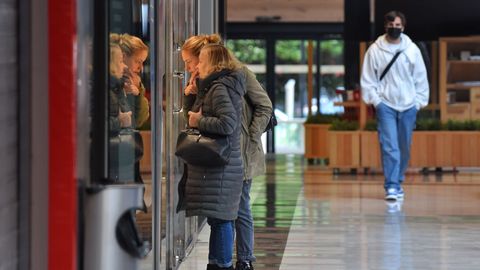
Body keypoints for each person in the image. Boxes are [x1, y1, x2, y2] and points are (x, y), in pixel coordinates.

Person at [181, 34, 272, 270]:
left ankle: (245, 259)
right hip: (222, 153)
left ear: (204, 56)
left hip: (239, 152)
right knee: (228, 209)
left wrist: (250, 136)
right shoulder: (206, 80)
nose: (189, 67)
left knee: (237, 208)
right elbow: (193, 118)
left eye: (190, 61)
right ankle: (236, 260)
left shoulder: (237, 74)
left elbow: (265, 106)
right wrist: (191, 94)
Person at [184, 43, 246, 270]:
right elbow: (192, 116)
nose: (197, 66)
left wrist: (198, 121)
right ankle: (217, 263)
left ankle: (221, 265)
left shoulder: (219, 87)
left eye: (200, 61)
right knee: (219, 219)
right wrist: (191, 95)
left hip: (222, 165)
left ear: (213, 63)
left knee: (221, 220)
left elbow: (227, 124)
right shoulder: (213, 86)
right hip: (221, 164)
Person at [360, 11, 429, 200]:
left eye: (398, 25)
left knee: (404, 145)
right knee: (389, 145)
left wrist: (418, 102)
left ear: (403, 27)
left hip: (409, 106)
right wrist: (377, 102)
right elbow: (368, 79)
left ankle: (397, 180)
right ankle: (391, 185)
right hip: (386, 105)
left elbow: (420, 77)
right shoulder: (375, 50)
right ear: (385, 26)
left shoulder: (411, 49)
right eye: (391, 25)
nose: (395, 28)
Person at [110, 33, 150, 186]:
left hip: (126, 148)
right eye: (138, 61)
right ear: (123, 57)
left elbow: (140, 119)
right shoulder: (112, 83)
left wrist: (138, 91)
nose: (140, 68)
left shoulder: (134, 81)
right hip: (116, 151)